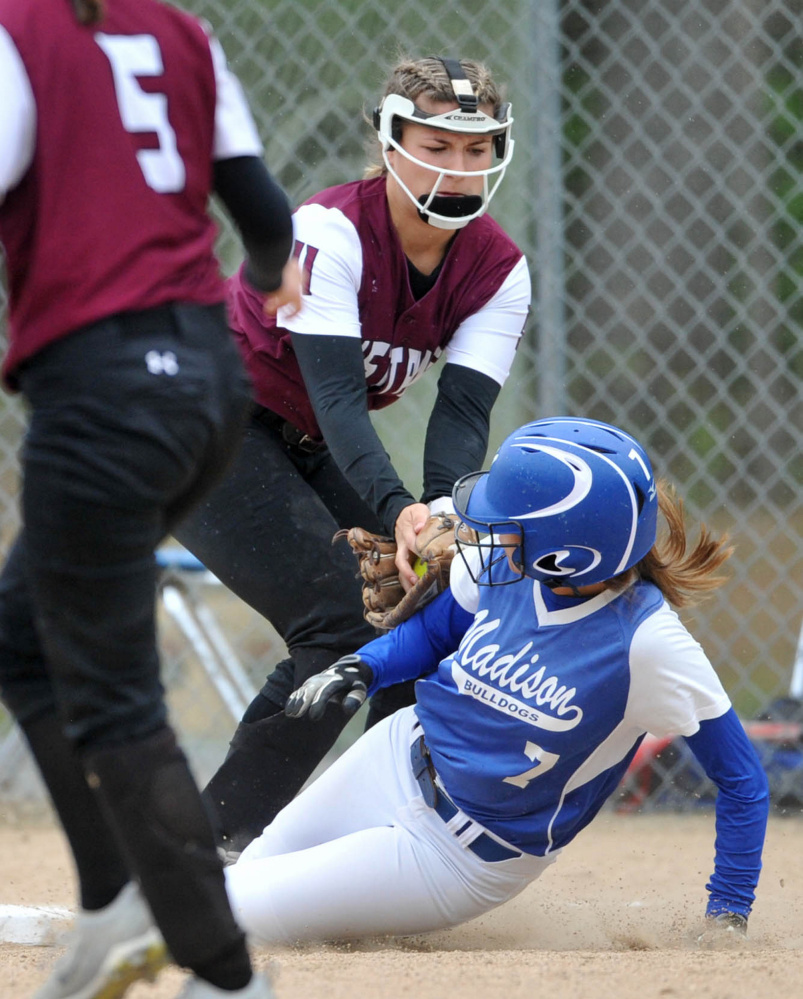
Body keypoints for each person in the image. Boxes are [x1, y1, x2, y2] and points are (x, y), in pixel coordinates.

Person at [0, 1, 300, 997]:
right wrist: (268, 282)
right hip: (209, 384)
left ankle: (223, 975)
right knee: (23, 634)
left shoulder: (19, 31)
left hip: (103, 390)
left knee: (115, 697)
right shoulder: (181, 34)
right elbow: (264, 220)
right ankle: (113, 908)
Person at [218, 417, 769, 946]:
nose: (488, 535)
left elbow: (742, 779)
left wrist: (728, 914)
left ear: (567, 554)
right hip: (395, 753)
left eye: (510, 527)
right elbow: (432, 635)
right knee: (246, 870)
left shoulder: (648, 645)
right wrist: (364, 665)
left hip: (456, 854)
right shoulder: (511, 568)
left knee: (228, 911)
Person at [173, 54, 532, 854]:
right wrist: (398, 508)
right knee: (341, 618)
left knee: (426, 602)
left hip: (301, 437)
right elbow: (336, 397)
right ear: (390, 142)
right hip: (212, 425)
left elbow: (463, 410)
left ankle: (385, 835)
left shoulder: (498, 266)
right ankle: (206, 845)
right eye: (435, 144)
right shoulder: (328, 231)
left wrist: (438, 513)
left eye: (476, 149)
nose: (459, 167)